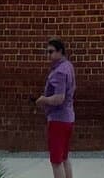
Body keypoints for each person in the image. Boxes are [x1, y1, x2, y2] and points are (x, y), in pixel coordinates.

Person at [36, 37, 76, 177]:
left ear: (60, 51)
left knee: (56, 161)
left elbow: (59, 98)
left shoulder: (59, 71)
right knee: (64, 157)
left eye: (51, 52)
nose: (48, 55)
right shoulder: (68, 66)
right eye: (47, 52)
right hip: (68, 118)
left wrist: (44, 100)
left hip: (58, 119)